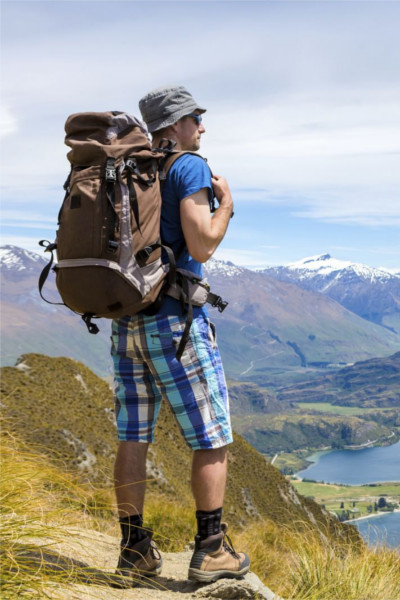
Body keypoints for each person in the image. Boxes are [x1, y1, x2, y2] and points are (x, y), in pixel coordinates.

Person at [112, 85, 249, 585]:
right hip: (175, 324)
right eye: (195, 117)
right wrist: (227, 206)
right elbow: (202, 243)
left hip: (127, 321)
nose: (202, 127)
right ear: (175, 124)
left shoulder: (127, 167)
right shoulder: (186, 164)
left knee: (133, 436)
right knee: (211, 436)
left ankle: (134, 551)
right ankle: (211, 550)